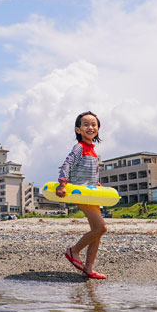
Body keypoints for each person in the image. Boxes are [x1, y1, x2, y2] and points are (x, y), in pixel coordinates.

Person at [57, 111, 109, 279]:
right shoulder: (79, 148)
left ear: (98, 129)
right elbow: (67, 164)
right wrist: (62, 184)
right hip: (81, 194)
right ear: (78, 130)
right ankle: (73, 251)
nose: (90, 127)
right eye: (86, 124)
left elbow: (94, 174)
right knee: (102, 228)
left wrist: (99, 187)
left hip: (92, 195)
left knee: (97, 231)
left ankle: (88, 268)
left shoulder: (93, 151)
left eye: (93, 124)